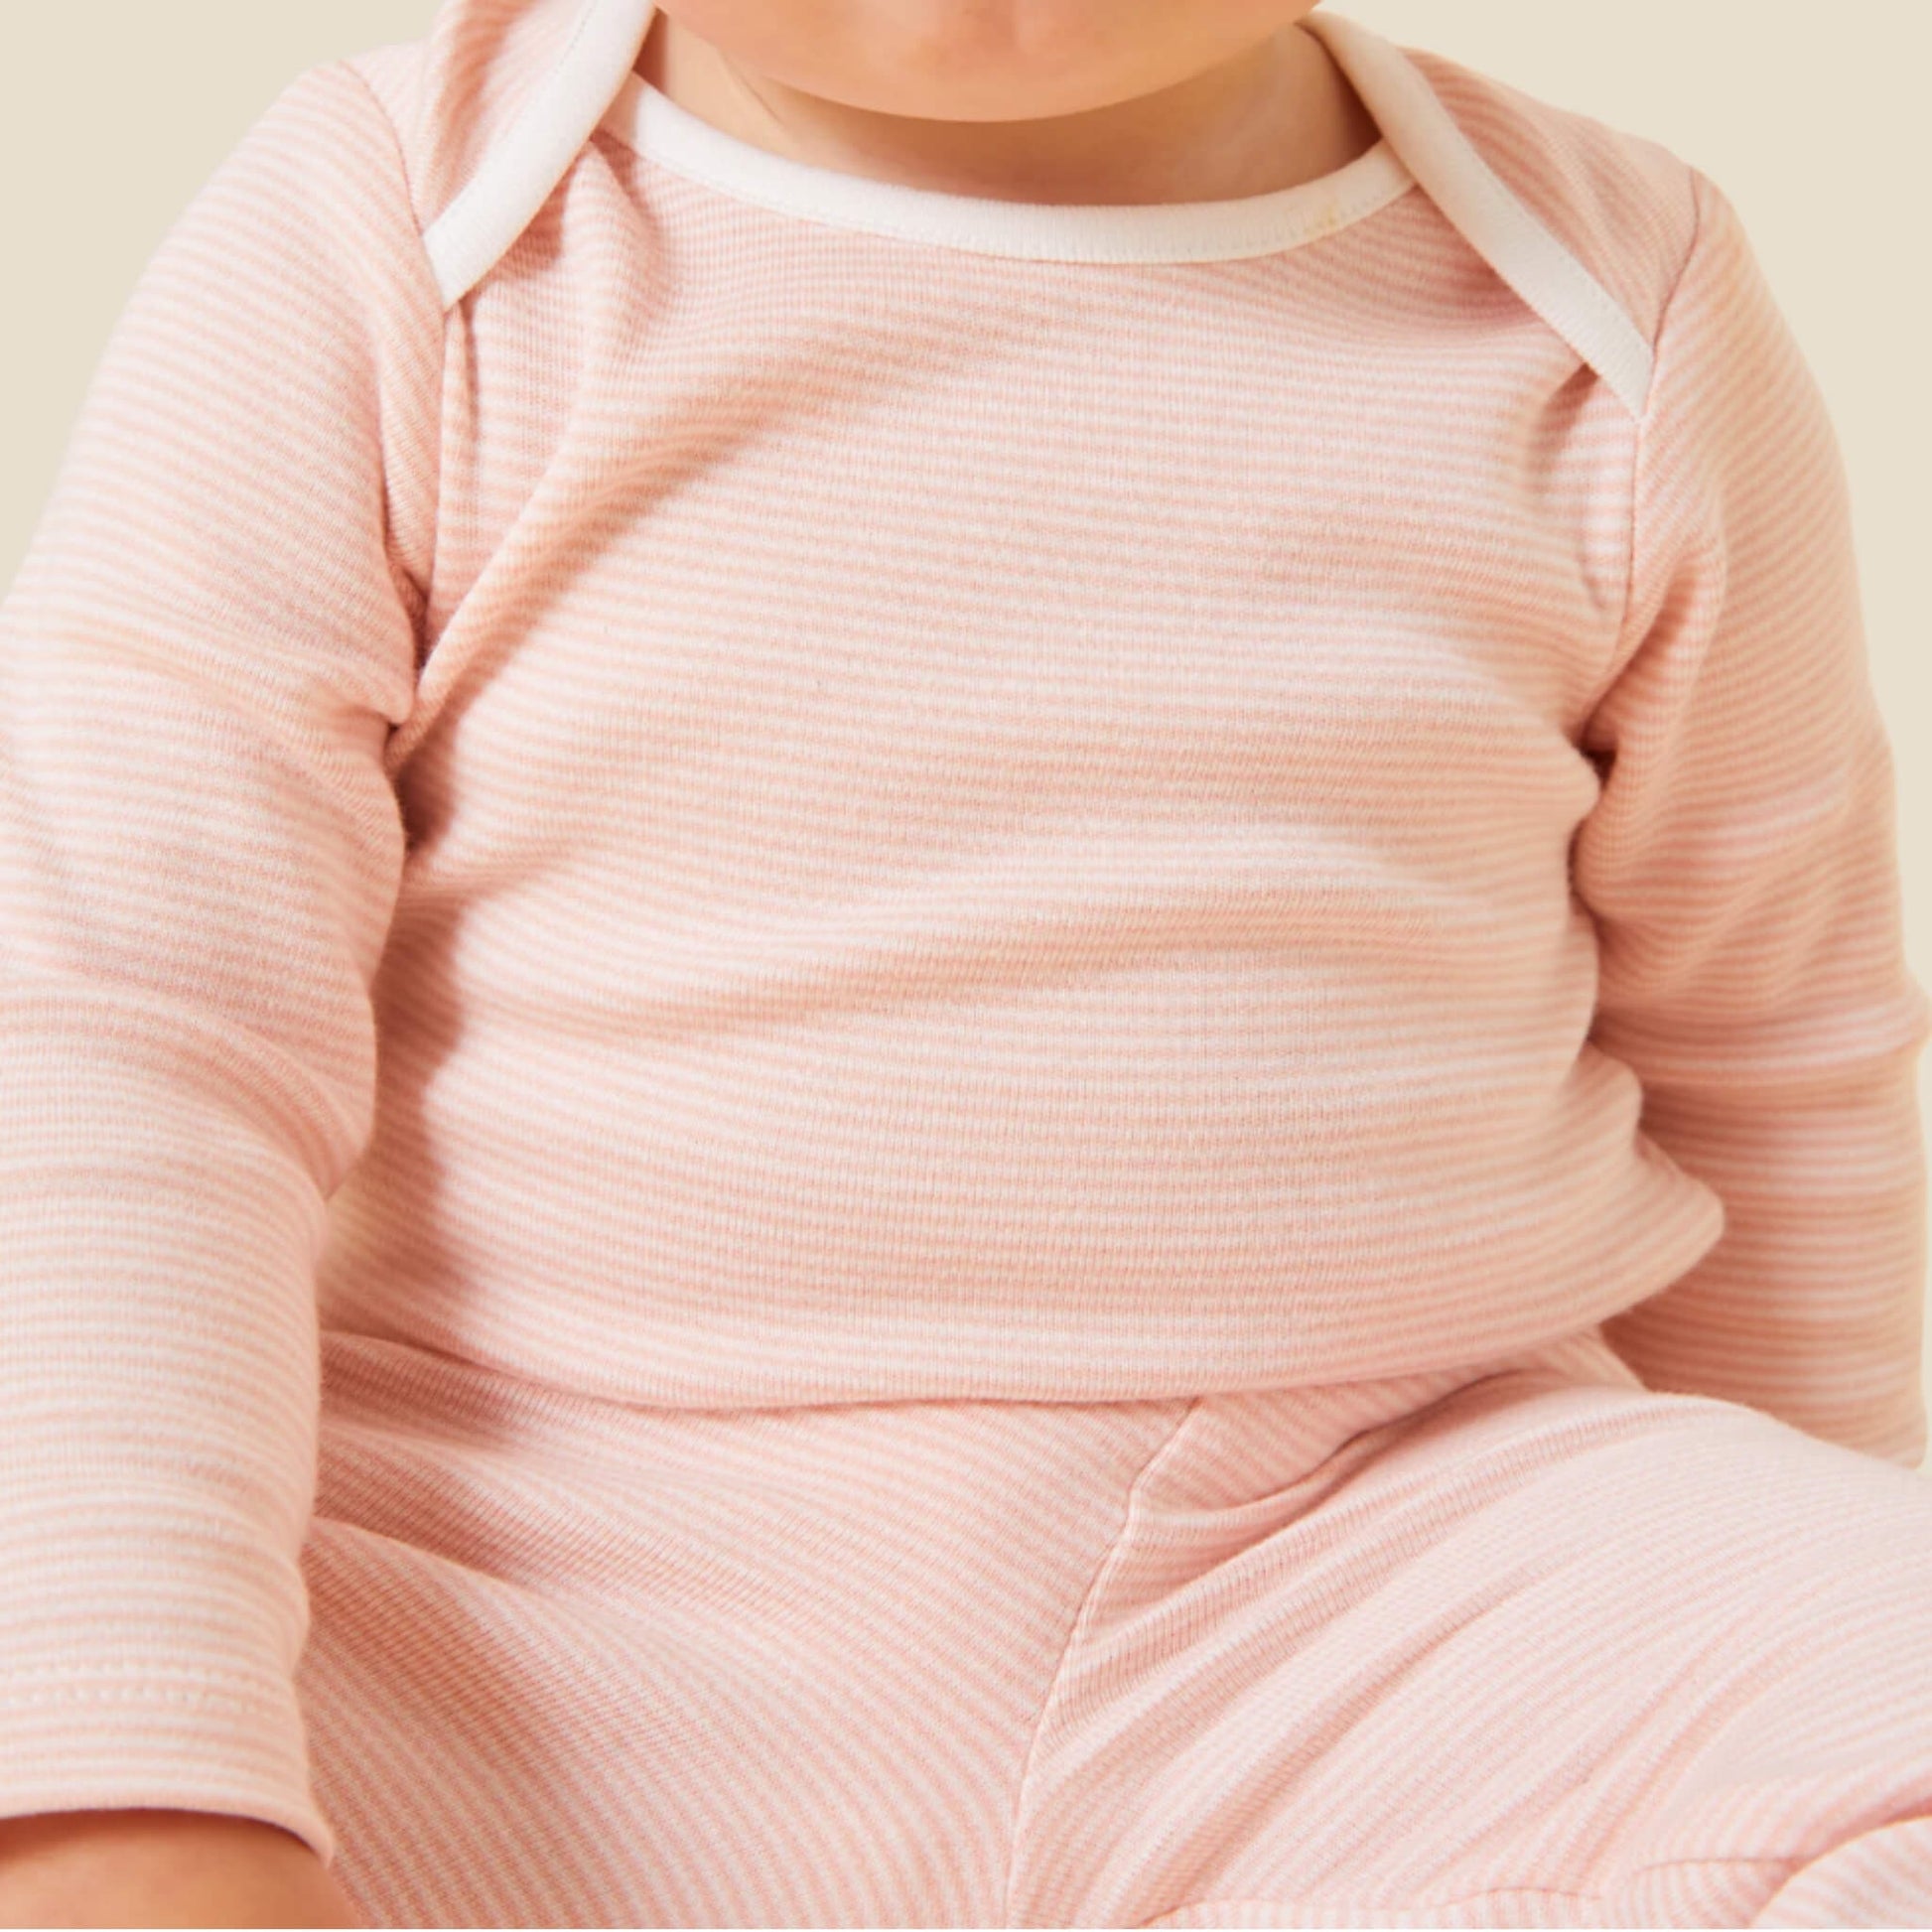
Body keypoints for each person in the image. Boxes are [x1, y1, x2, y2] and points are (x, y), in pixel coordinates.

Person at [2, 0, 1929, 1923]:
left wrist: (1779, 1608)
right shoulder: (408, 230)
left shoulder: (1617, 298)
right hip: (511, 1573)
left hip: (1366, 1576)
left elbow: (1768, 1047)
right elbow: (132, 1017)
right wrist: (123, 1794)